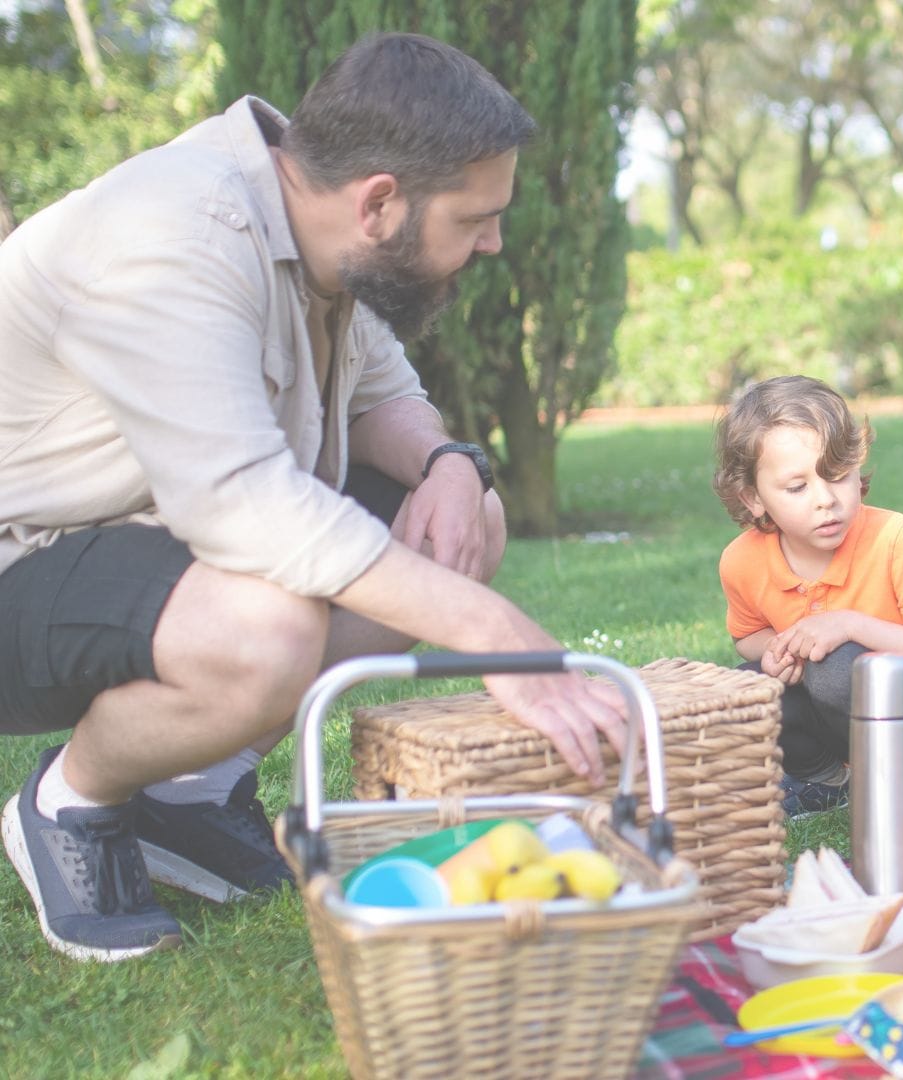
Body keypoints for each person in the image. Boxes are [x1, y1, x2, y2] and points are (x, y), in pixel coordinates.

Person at [0, 33, 631, 961]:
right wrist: (494, 631)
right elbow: (242, 506)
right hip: (28, 558)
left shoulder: (316, 221)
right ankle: (71, 802)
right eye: (475, 217)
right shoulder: (174, 235)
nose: (494, 241)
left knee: (463, 522)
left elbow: (385, 400)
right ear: (380, 202)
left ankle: (191, 791)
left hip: (150, 549)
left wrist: (452, 465)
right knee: (267, 628)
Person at [712, 376, 903, 817]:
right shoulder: (741, 561)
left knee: (834, 666)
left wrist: (848, 625)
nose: (825, 500)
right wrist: (781, 649)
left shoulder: (893, 537)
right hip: (824, 703)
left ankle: (890, 780)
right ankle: (826, 777)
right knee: (746, 689)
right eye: (797, 488)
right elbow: (747, 637)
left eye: (837, 476)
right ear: (753, 498)